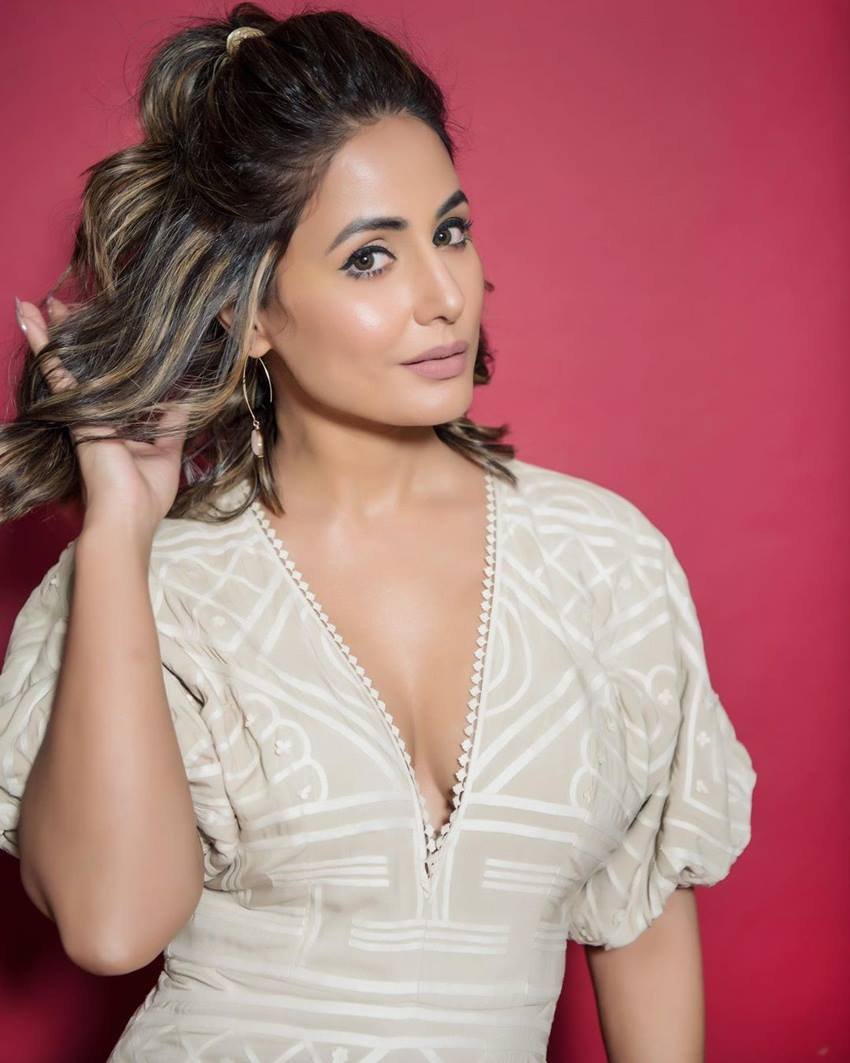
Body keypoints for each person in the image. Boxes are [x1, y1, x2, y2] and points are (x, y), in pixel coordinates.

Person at [0, 4, 757, 1060]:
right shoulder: (143, 584)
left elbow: (640, 916)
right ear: (251, 315)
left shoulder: (604, 561)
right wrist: (123, 531)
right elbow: (111, 923)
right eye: (369, 259)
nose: (444, 294)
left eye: (450, 232)